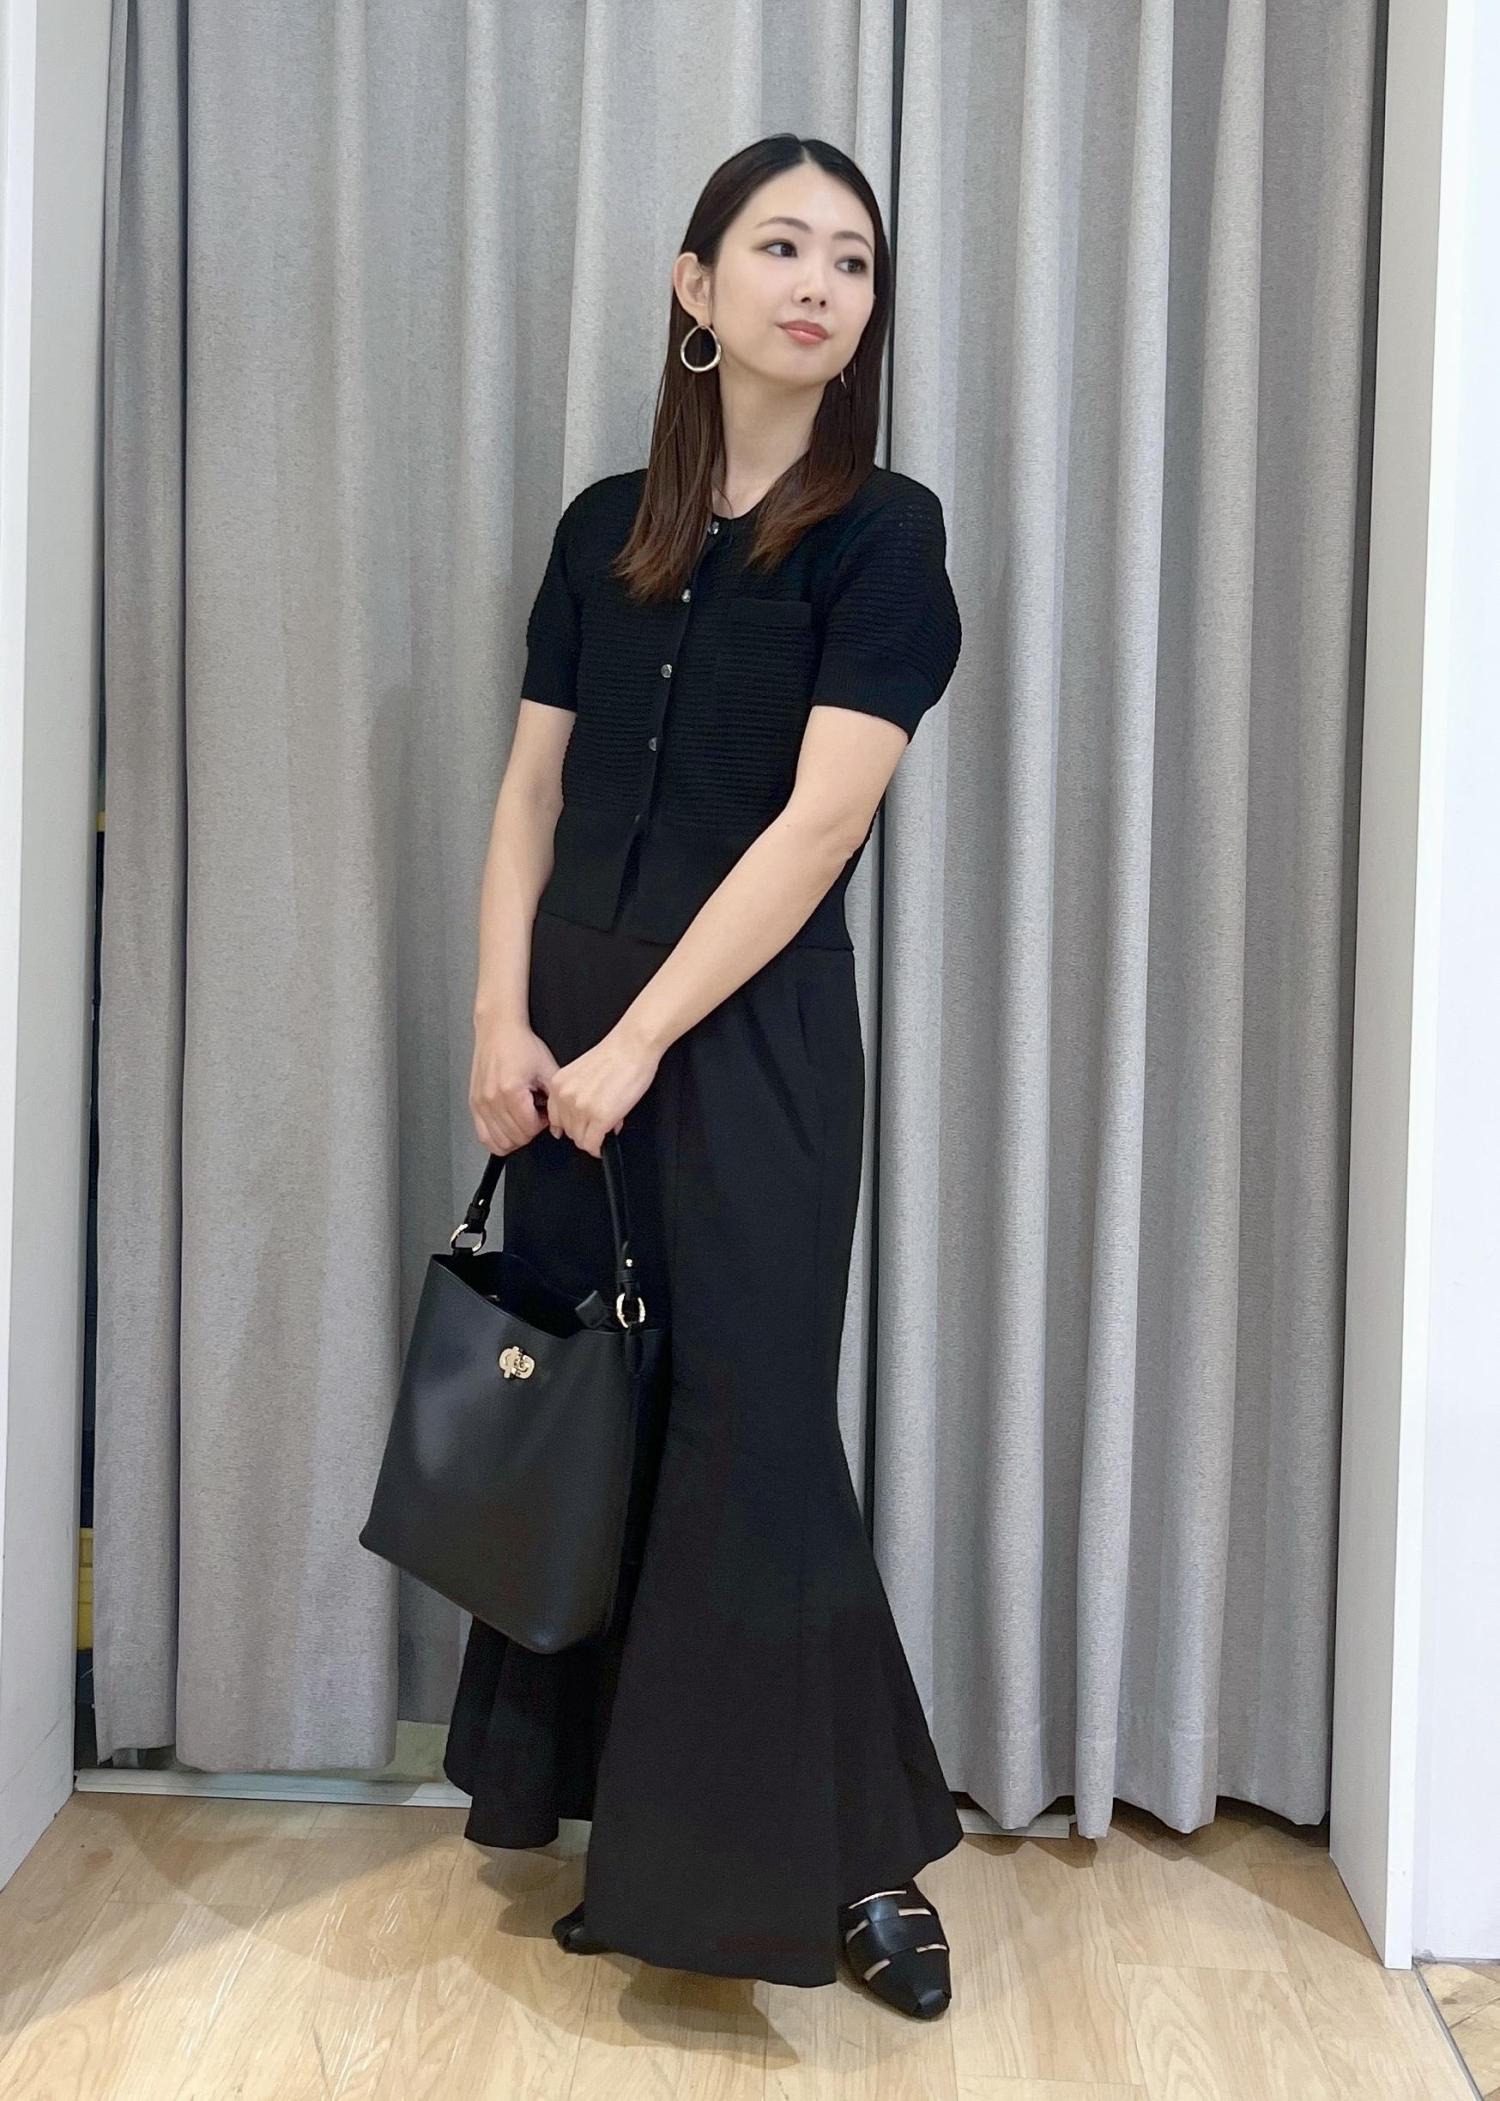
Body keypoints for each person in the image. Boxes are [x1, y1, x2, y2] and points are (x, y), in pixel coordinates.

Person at [441, 132, 964, 2018]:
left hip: (744, 1043)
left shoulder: (886, 532)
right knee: (614, 1423)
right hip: (561, 1040)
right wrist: (499, 1020)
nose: (819, 284)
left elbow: (823, 823)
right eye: (780, 246)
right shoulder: (605, 525)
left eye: (853, 260)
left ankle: (848, 1862)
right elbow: (532, 791)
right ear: (696, 285)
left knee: (755, 1432)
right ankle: (679, 1845)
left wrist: (640, 1039)